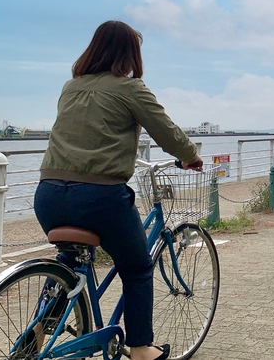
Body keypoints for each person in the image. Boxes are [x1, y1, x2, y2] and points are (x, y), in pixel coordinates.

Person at [34, 20, 202, 360]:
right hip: (99, 199)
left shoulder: (71, 87)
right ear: (129, 55)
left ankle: (37, 333)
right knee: (137, 268)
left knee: (69, 262)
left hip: (49, 194)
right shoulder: (131, 89)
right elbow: (166, 132)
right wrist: (190, 157)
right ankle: (140, 348)